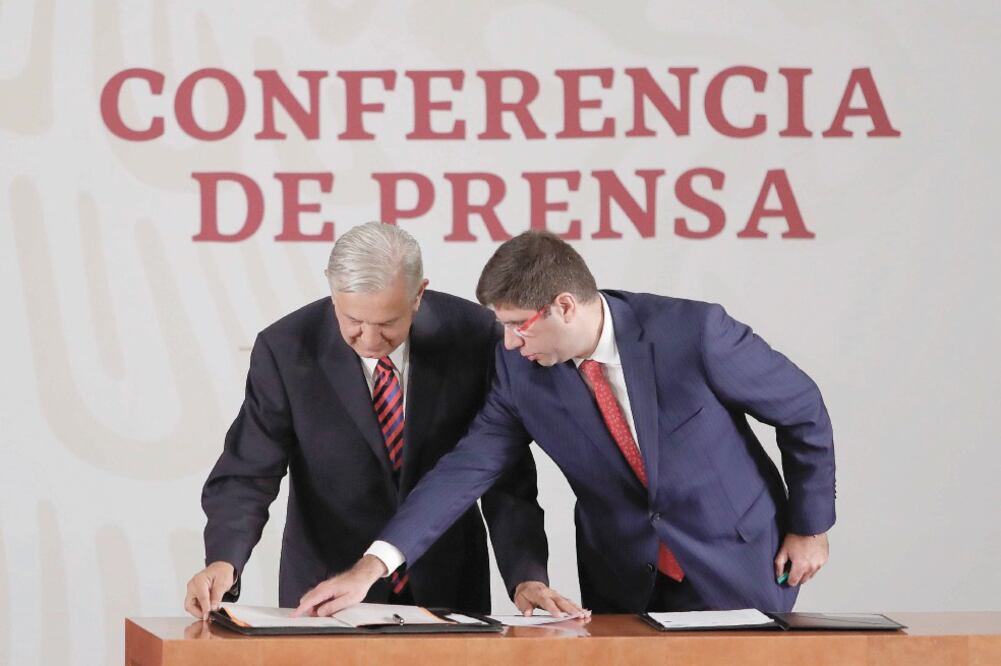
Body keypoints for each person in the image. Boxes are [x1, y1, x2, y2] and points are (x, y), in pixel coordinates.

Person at [294, 230, 836, 617]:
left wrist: (809, 526)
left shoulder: (694, 333)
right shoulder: (518, 370)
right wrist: (373, 566)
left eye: (516, 327)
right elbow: (465, 470)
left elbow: (801, 408)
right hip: (624, 579)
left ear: (564, 306)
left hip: (737, 558)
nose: (507, 343)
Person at [184, 222, 553, 619]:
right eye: (354, 321)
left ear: (418, 295)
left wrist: (524, 574)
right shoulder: (286, 349)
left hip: (447, 581)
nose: (371, 340)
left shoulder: (476, 336)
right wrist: (225, 560)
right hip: (325, 585)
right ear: (333, 293)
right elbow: (248, 471)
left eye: (387, 323)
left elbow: (504, 473)